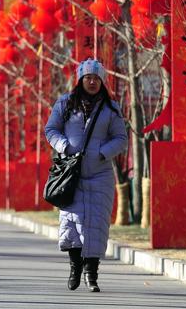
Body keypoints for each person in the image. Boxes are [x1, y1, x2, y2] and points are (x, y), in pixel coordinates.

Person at [44, 58, 128, 293]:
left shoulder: (111, 109)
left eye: (96, 78)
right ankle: (75, 269)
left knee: (96, 226)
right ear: (80, 79)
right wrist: (63, 146)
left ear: (102, 81)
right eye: (88, 77)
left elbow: (121, 138)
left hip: (100, 175)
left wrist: (102, 153)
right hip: (72, 175)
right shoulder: (65, 103)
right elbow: (50, 129)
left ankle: (92, 275)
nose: (92, 82)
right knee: (71, 224)